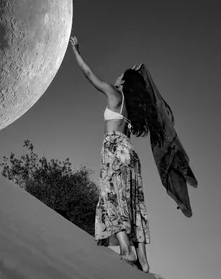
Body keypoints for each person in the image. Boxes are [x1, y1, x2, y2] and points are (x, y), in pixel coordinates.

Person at [69, 35, 165, 273]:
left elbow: (89, 75)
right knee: (134, 203)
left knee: (112, 198)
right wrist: (133, 77)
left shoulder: (114, 94)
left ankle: (126, 250)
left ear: (123, 82)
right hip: (130, 154)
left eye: (121, 76)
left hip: (113, 148)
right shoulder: (132, 107)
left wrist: (77, 51)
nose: (117, 77)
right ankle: (143, 259)